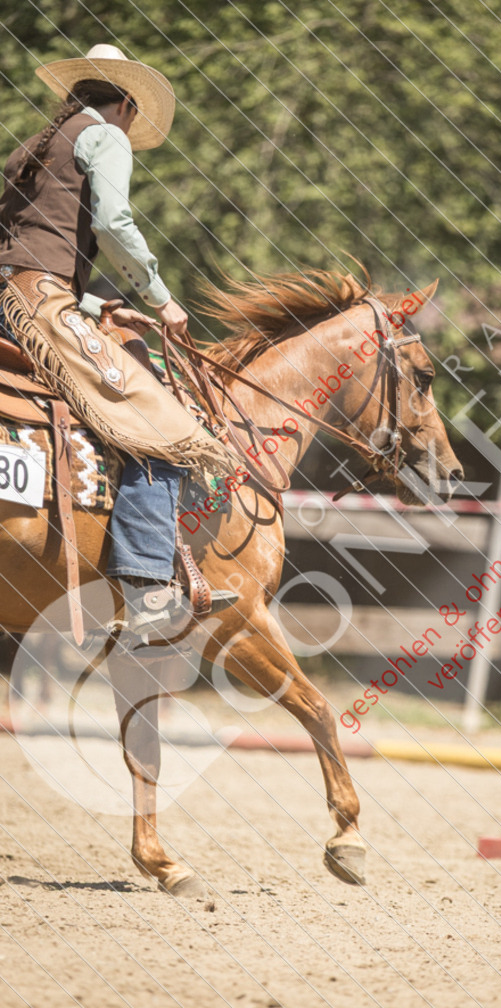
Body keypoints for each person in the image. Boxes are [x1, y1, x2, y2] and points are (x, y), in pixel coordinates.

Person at [0, 44, 236, 638]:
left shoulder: (34, 147)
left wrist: (97, 303)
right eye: (134, 114)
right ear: (127, 102)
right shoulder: (106, 135)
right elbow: (113, 223)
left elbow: (24, 250)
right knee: (160, 423)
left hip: (18, 298)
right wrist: (161, 298)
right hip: (37, 305)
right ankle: (150, 585)